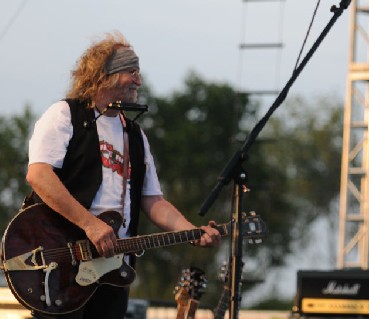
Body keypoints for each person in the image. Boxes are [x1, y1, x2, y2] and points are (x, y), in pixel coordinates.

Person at [24, 31, 221, 319]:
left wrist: (192, 231)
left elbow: (153, 200)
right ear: (106, 75)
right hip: (63, 261)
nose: (139, 81)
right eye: (132, 72)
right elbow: (39, 176)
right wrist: (90, 225)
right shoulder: (65, 115)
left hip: (114, 267)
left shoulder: (135, 134)